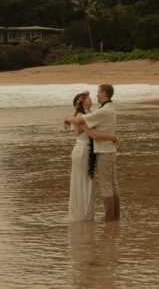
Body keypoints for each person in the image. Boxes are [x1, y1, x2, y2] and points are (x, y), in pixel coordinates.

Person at [65, 84, 120, 221]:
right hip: (83, 152)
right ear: (83, 102)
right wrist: (112, 137)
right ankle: (86, 214)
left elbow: (93, 129)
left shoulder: (92, 114)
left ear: (104, 93)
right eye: (88, 97)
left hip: (94, 151)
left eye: (97, 93)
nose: (94, 96)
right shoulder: (83, 115)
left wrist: (67, 118)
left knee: (96, 184)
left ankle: (109, 218)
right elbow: (93, 134)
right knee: (85, 183)